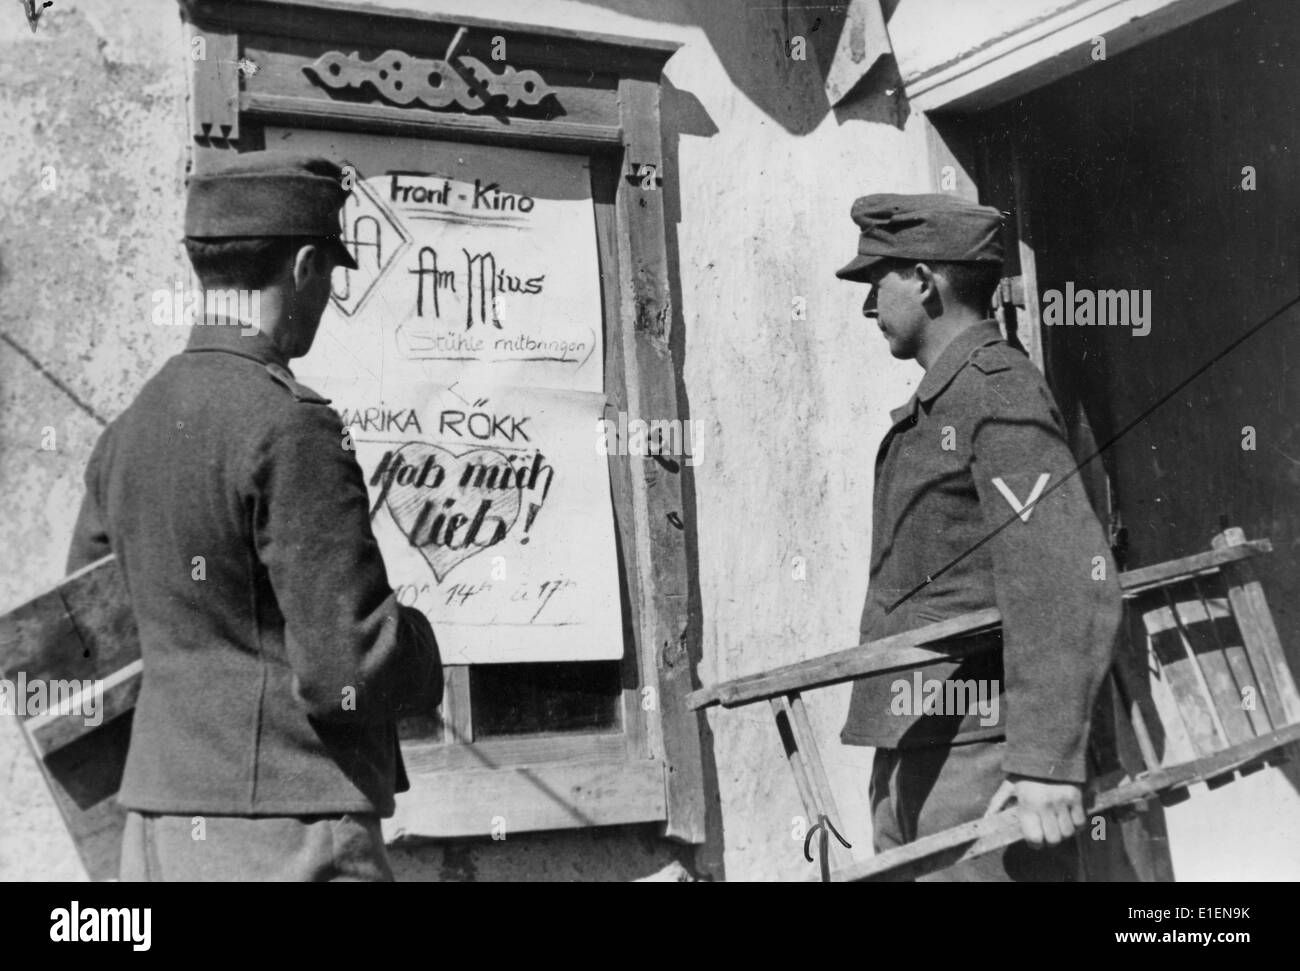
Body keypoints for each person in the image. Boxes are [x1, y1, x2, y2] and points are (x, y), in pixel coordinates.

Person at [67, 151, 442, 881]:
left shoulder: (128, 431)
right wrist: (422, 643)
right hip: (290, 835)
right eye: (330, 274)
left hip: (154, 835)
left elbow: (91, 637)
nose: (329, 295)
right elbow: (348, 666)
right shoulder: (291, 425)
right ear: (305, 266)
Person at [834, 193, 1121, 881]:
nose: (869, 307)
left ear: (925, 282)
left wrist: (1045, 762)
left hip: (982, 760)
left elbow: (1063, 570)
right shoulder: (949, 399)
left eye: (878, 282)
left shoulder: (997, 391)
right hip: (925, 747)